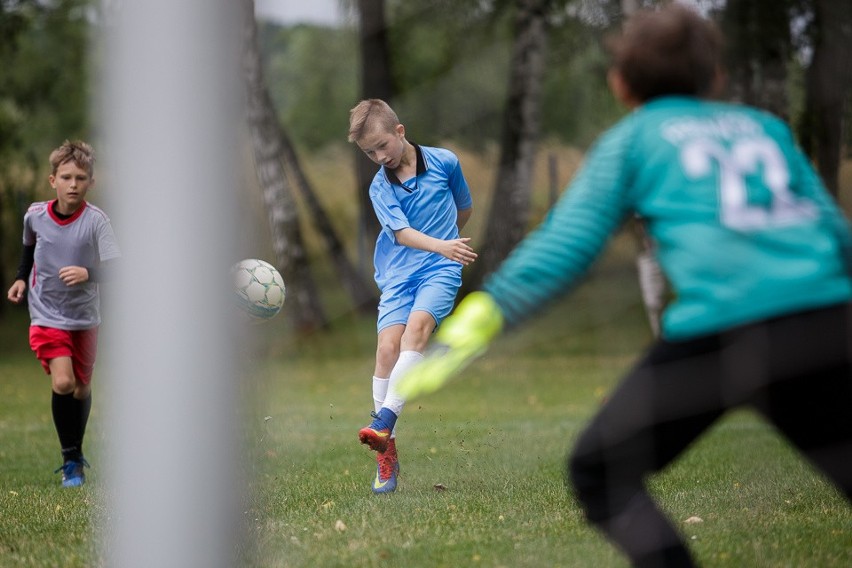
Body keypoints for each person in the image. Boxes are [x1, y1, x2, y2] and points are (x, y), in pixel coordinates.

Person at [397, 4, 852, 566]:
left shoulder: (634, 139)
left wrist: (481, 319)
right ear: (717, 77)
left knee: (600, 472)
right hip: (828, 326)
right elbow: (835, 233)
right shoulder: (767, 129)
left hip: (721, 337)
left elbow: (566, 246)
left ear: (620, 83)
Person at [348, 99, 477, 494]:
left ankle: (384, 420)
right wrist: (444, 244)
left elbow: (464, 209)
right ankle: (387, 456)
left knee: (416, 331)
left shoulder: (446, 162)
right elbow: (402, 235)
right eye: (370, 152)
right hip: (399, 274)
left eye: (382, 145)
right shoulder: (379, 187)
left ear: (400, 131)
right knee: (387, 348)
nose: (379, 156)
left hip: (440, 269)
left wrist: (445, 250)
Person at [7, 140, 121, 488]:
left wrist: (89, 273)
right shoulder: (35, 215)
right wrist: (20, 279)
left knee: (82, 390)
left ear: (91, 183)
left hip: (85, 317)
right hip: (46, 313)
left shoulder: (97, 222)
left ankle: (76, 452)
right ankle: (70, 459)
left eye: (81, 178)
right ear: (52, 180)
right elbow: (29, 250)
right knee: (64, 382)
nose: (74, 184)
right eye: (67, 177)